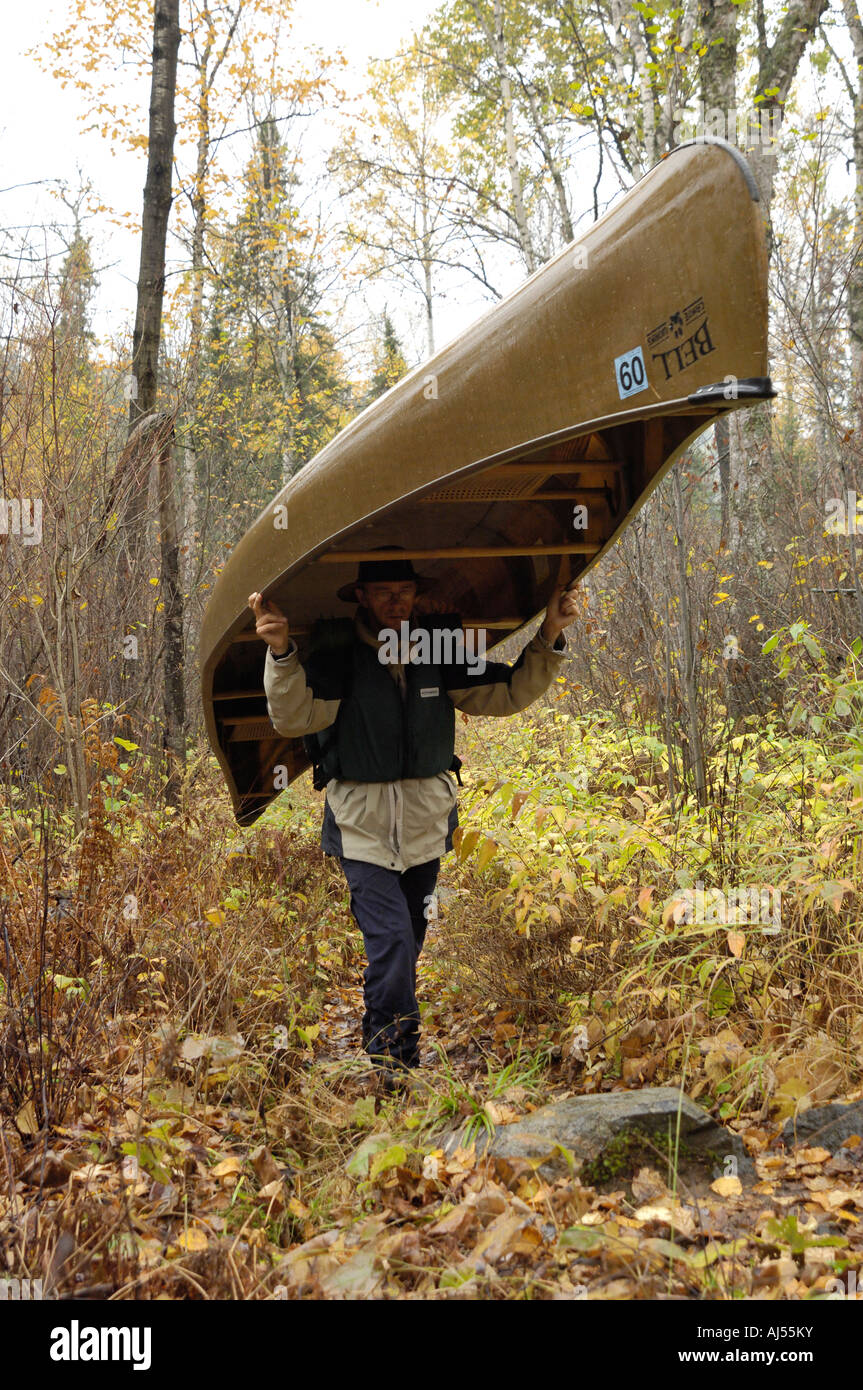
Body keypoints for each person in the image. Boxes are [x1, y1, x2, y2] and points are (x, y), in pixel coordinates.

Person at [247, 550, 578, 1091]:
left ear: (418, 595)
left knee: (406, 945)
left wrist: (550, 637)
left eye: (405, 592)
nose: (397, 604)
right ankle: (396, 1067)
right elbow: (294, 715)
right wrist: (281, 651)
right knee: (395, 944)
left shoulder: (438, 651)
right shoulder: (337, 654)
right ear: (361, 597)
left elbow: (510, 690)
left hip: (426, 830)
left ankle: (379, 1037)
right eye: (384, 593)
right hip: (362, 833)